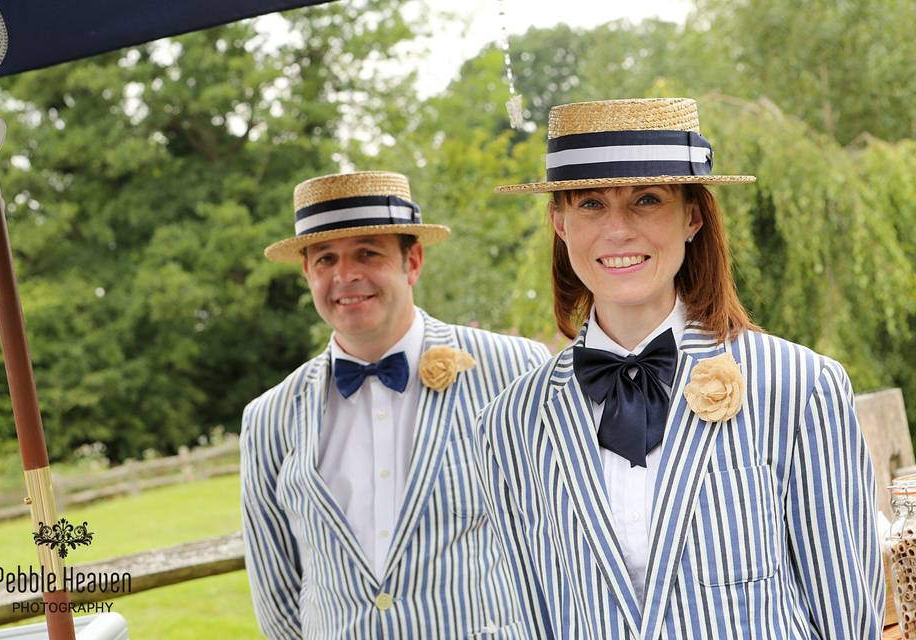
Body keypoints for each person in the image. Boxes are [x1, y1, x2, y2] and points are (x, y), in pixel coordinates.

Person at [475, 98, 884, 639]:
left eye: (646, 199)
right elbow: (527, 619)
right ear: (559, 221)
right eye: (591, 204)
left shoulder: (799, 387)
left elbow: (846, 615)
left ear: (692, 215)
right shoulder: (510, 423)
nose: (618, 230)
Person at [240, 170, 550, 639]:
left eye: (368, 252)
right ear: (307, 272)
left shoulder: (513, 368)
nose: (346, 275)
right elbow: (276, 594)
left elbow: (561, 540)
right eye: (325, 259)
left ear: (413, 262)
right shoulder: (267, 419)